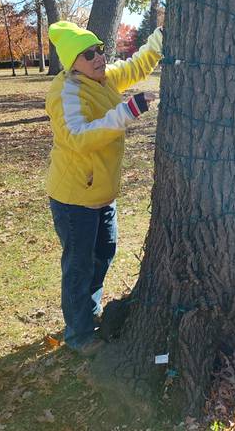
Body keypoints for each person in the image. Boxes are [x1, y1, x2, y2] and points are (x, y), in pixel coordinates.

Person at [45, 20, 163, 356]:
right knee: (79, 264)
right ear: (72, 64)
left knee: (104, 254)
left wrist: (161, 35)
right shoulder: (65, 92)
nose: (98, 58)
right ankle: (79, 335)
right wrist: (127, 111)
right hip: (74, 199)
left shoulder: (103, 76)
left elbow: (137, 65)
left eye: (99, 50)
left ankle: (89, 311)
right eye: (88, 54)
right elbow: (78, 137)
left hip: (101, 195)